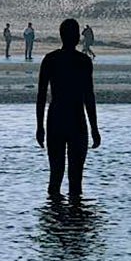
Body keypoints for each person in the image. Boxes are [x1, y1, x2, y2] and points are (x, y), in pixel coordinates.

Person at [36, 18, 101, 197]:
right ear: (76, 37)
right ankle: (76, 220)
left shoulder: (50, 59)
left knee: (55, 177)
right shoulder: (83, 61)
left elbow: (41, 96)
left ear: (61, 36)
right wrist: (94, 128)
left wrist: (40, 126)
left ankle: (54, 221)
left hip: (56, 119)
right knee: (76, 180)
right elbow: (89, 97)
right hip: (76, 120)